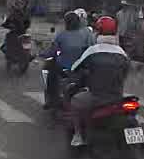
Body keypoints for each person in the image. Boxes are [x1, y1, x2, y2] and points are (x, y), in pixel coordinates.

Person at [66, 15, 131, 146]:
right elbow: (125, 73)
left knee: (75, 102)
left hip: (96, 97)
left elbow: (74, 68)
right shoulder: (122, 53)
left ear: (98, 32)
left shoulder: (92, 51)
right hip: (117, 97)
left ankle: (78, 135)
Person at [43, 11, 94, 109]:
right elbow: (91, 48)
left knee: (50, 73)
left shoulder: (61, 35)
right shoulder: (86, 34)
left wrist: (44, 54)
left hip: (64, 67)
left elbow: (52, 51)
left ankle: (51, 100)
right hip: (81, 68)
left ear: (66, 22)